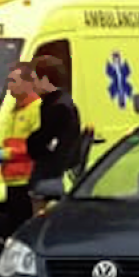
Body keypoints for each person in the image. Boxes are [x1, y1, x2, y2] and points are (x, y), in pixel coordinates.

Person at [27, 56, 85, 214]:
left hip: (51, 177)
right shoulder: (62, 102)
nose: (32, 85)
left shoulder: (56, 107)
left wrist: (32, 142)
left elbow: (44, 141)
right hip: (58, 175)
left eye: (34, 79)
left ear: (45, 79)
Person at [0, 62, 41, 231]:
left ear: (27, 83)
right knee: (14, 226)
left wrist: (7, 154)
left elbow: (38, 146)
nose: (9, 86)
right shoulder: (15, 110)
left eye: (14, 81)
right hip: (12, 180)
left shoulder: (36, 109)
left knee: (25, 227)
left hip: (28, 181)